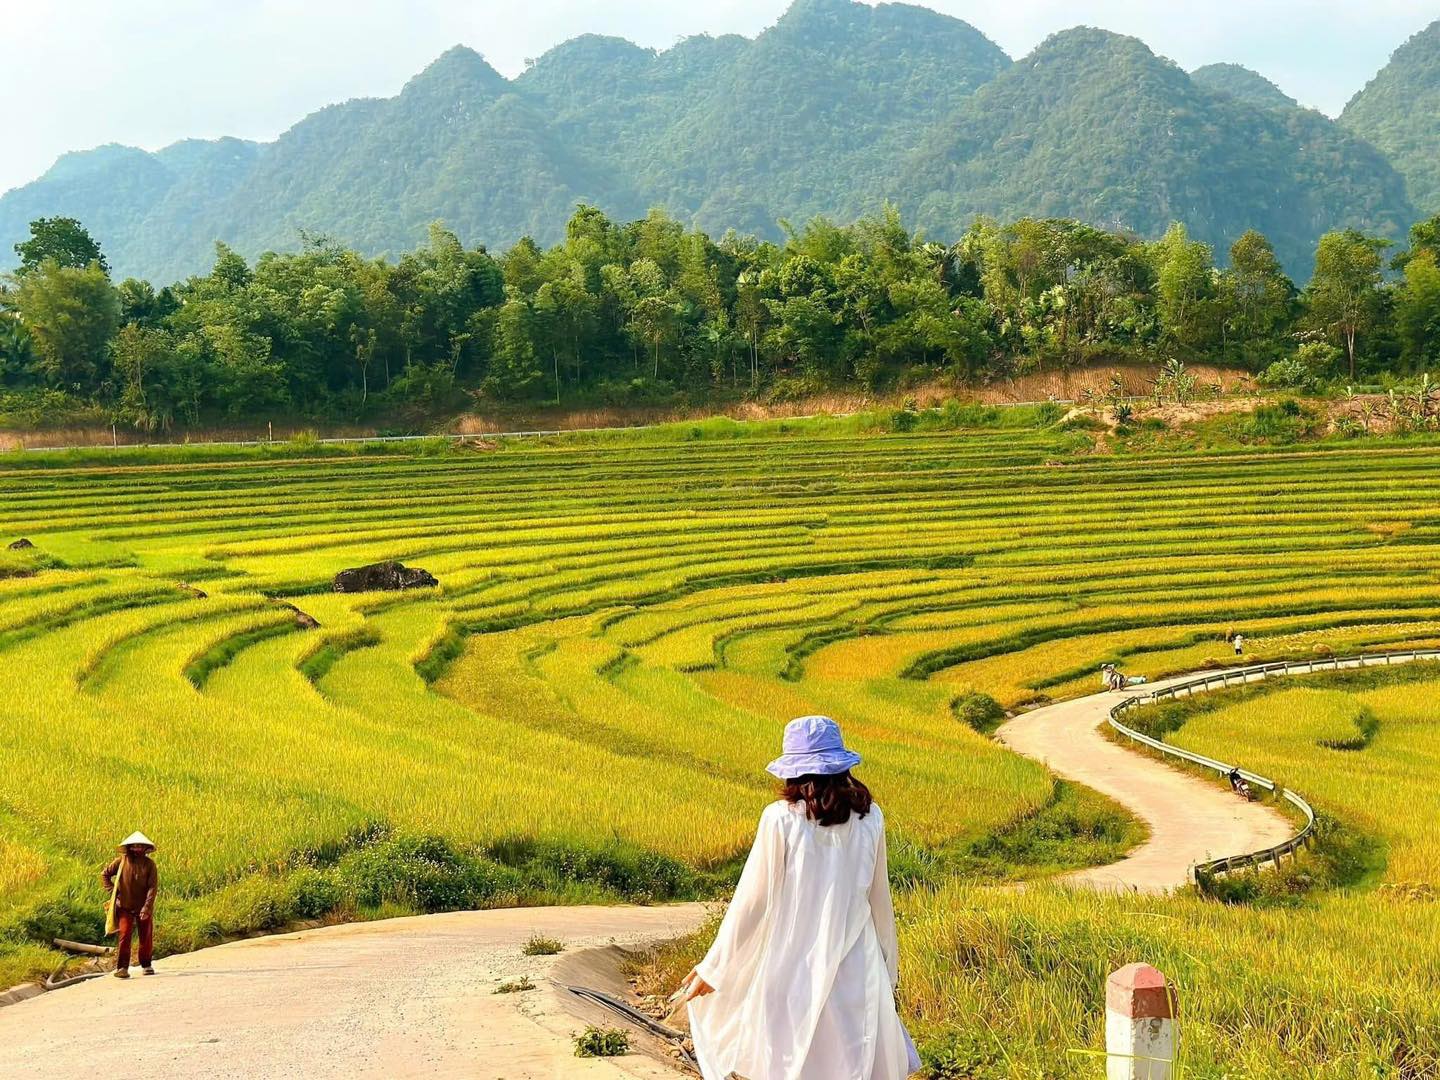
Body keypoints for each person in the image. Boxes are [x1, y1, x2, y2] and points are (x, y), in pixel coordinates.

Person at [674, 715, 920, 1080]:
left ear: (794, 772)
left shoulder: (780, 820)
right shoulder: (871, 819)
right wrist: (888, 971)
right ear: (840, 767)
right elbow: (880, 901)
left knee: (793, 1064)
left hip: (791, 967)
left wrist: (716, 966)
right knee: (852, 1066)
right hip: (856, 966)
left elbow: (752, 902)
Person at [102, 831, 158, 978]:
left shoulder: (150, 865)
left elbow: (152, 887)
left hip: (143, 907)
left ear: (145, 848)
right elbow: (105, 875)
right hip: (124, 906)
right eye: (134, 846)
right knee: (124, 935)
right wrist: (114, 893)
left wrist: (147, 907)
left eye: (140, 846)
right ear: (129, 847)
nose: (137, 849)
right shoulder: (121, 861)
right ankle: (122, 968)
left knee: (145, 936)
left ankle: (146, 964)